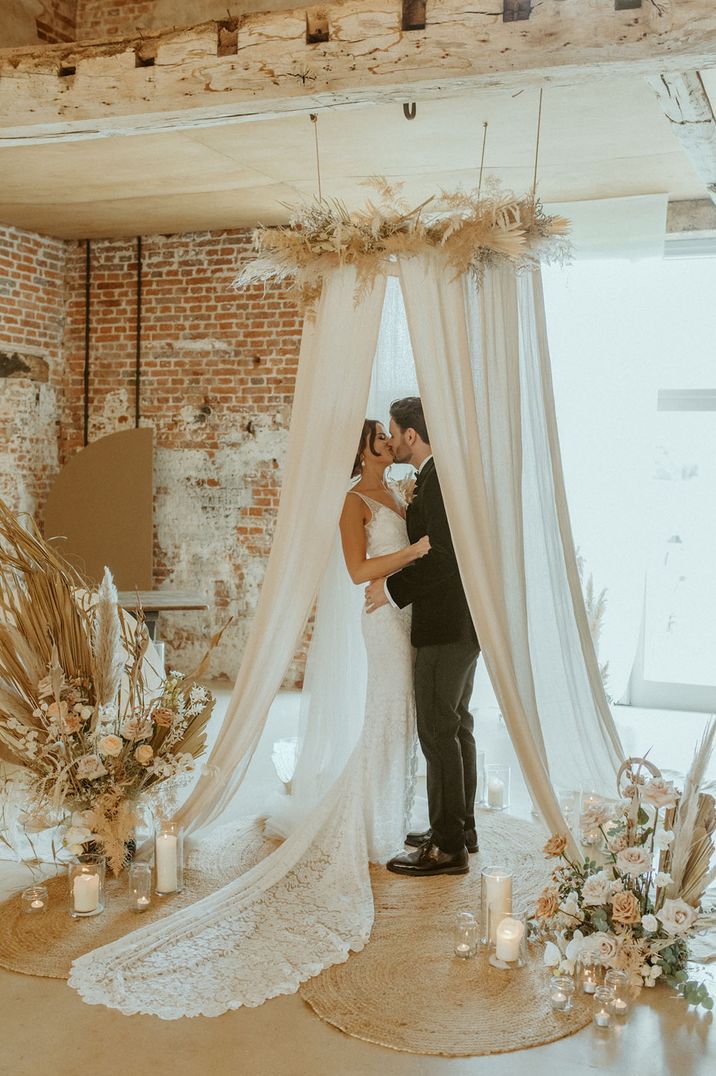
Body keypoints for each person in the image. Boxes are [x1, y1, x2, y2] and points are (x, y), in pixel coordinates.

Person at [365, 397, 480, 877]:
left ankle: (448, 845)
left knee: (437, 731)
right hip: (466, 623)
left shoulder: (434, 482)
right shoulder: (440, 476)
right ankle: (460, 827)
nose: (391, 440)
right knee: (456, 725)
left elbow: (442, 558)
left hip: (445, 626)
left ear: (412, 435)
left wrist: (389, 591)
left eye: (394, 431)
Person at [338, 418, 430, 860]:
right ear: (362, 451)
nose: (389, 441)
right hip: (383, 620)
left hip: (409, 611)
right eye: (380, 438)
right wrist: (411, 552)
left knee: (407, 712)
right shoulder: (353, 502)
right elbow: (357, 570)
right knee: (388, 712)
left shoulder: (399, 493)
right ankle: (368, 820)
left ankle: (397, 812)